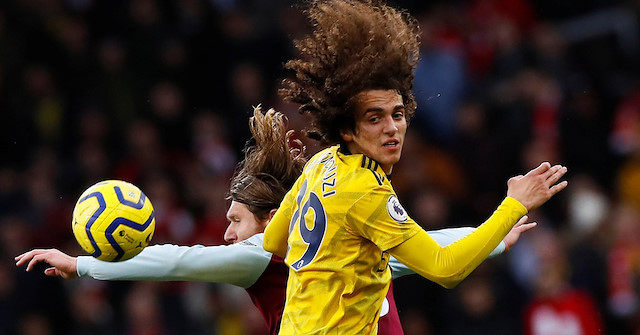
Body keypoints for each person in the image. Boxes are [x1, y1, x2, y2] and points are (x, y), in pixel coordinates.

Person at [15, 106, 534, 334]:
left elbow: (177, 261)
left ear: (269, 219)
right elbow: (427, 248)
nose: (227, 233)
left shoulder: (260, 256)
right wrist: (493, 238)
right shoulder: (350, 242)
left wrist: (83, 265)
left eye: (236, 219)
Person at [262, 0, 568, 334]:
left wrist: (491, 240)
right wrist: (515, 203)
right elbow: (444, 268)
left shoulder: (320, 163)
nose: (392, 128)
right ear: (347, 129)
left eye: (397, 114)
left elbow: (274, 241)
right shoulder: (364, 191)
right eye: (374, 119)